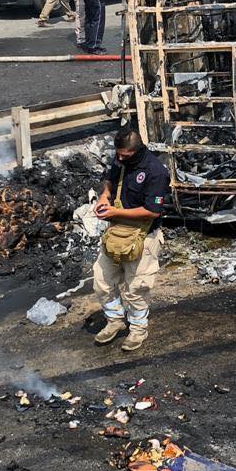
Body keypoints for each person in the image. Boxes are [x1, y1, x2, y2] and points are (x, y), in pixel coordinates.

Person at [92, 127, 170, 352]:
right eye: (118, 154)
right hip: (116, 232)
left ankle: (137, 329)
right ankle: (114, 320)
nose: (120, 159)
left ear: (137, 150)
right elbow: (110, 181)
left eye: (125, 156)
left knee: (137, 287)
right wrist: (104, 198)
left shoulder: (156, 172)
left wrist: (115, 213)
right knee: (102, 280)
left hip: (143, 235)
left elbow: (152, 211)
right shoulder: (120, 159)